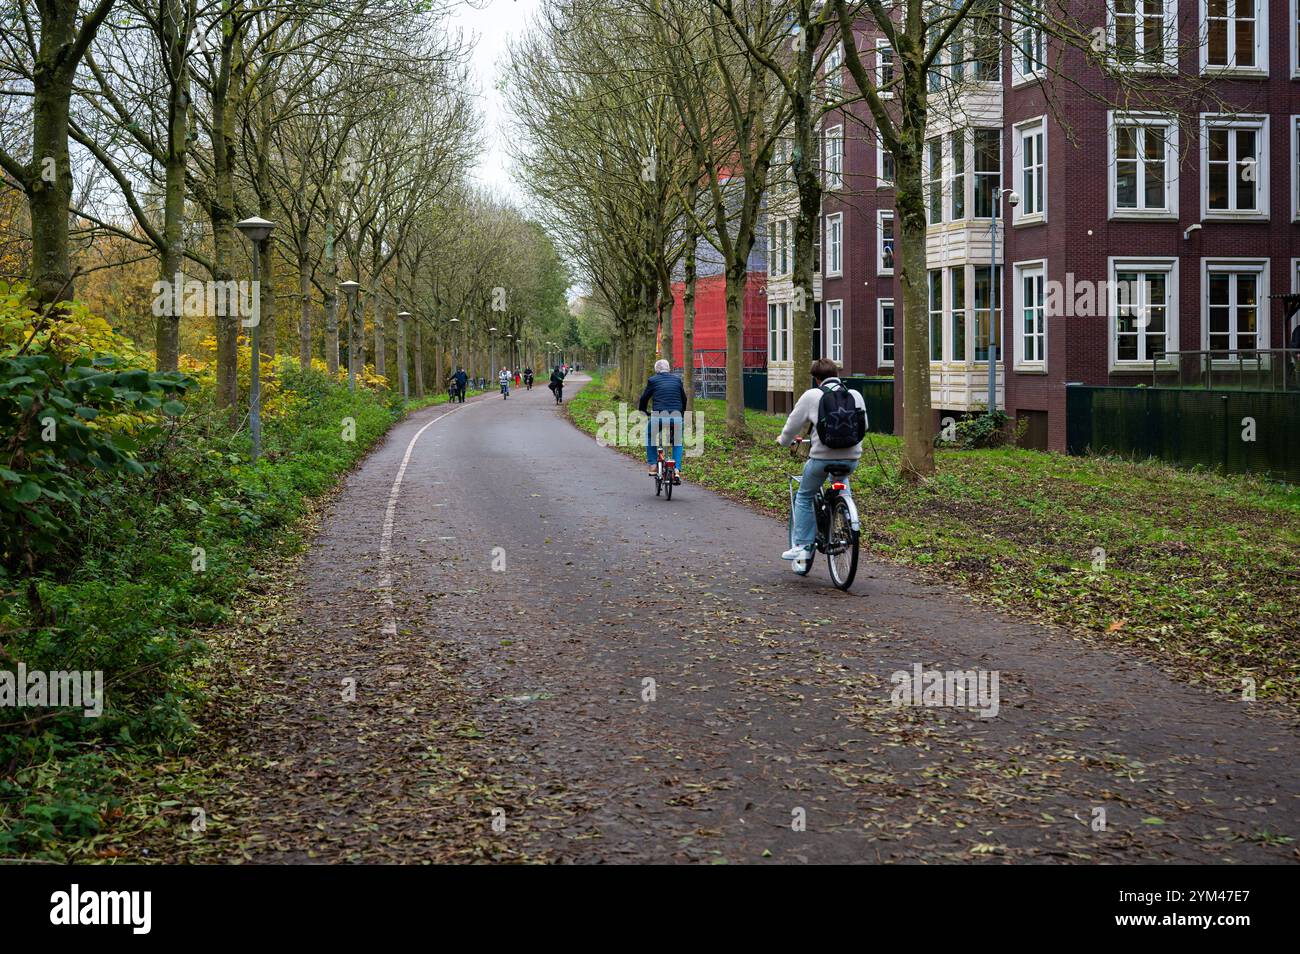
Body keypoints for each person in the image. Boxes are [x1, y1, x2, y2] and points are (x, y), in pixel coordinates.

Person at [776, 358, 867, 563]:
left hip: (821, 459)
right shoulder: (854, 395)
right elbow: (864, 426)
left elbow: (792, 425)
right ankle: (846, 516)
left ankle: (802, 546)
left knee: (805, 496)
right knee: (841, 482)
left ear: (817, 379)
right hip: (851, 459)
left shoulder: (812, 395)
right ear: (837, 374)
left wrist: (784, 441)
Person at [638, 358, 687, 479]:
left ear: (656, 370)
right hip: (676, 416)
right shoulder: (677, 380)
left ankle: (653, 465)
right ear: (669, 369)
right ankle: (676, 469)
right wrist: (682, 413)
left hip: (658, 416)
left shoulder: (652, 380)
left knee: (650, 435)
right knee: (677, 441)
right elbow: (684, 399)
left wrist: (643, 411)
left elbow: (644, 398)